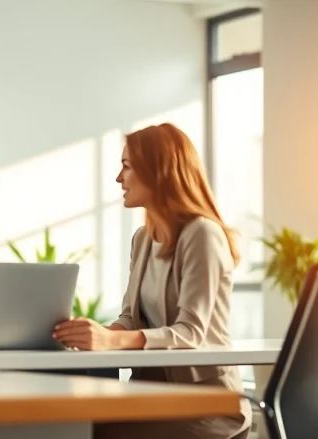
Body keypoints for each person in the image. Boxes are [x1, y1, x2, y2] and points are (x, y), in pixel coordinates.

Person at [52, 123, 252, 438]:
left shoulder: (202, 234)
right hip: (153, 395)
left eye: (126, 167)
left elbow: (191, 332)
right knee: (75, 424)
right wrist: (96, 334)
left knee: (97, 431)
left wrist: (112, 341)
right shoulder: (143, 239)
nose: (119, 179)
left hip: (209, 404)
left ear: (158, 171)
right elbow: (131, 319)